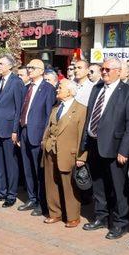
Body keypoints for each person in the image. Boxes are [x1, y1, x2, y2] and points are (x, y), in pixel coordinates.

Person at [81, 58, 129, 240]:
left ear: (118, 71)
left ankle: (120, 223)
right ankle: (101, 217)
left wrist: (125, 150)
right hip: (94, 144)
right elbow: (90, 115)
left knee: (118, 188)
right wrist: (84, 143)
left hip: (115, 148)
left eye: (107, 69)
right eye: (102, 69)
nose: (104, 72)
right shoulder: (97, 88)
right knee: (98, 184)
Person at [42, 79, 86, 228]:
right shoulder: (56, 108)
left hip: (69, 153)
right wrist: (45, 143)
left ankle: (73, 216)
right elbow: (49, 128)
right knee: (51, 183)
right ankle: (55, 212)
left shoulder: (81, 109)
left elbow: (82, 135)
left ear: (70, 91)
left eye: (60, 87)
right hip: (50, 151)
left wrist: (81, 156)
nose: (57, 90)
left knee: (69, 185)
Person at [17, 59, 56, 214]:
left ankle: (42, 202)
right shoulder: (27, 87)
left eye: (32, 68)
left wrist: (44, 138)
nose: (29, 70)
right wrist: (18, 132)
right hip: (25, 131)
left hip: (38, 135)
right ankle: (32, 198)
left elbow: (48, 115)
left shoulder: (48, 89)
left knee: (39, 171)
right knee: (27, 169)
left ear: (41, 71)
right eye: (28, 67)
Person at [0, 54, 25, 208]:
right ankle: (0, 192)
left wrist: (15, 129)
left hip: (9, 129)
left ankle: (11, 194)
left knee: (10, 163)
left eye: (1, 63)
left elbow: (19, 108)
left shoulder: (16, 82)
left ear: (10, 66)